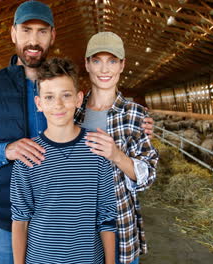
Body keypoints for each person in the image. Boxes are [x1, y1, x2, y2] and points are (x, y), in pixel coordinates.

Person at [0, 1, 154, 263]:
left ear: (53, 35)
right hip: (9, 218)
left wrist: (135, 125)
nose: (33, 40)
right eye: (26, 30)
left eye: (42, 32)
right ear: (13, 33)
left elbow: (103, 112)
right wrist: (5, 150)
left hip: (74, 226)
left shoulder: (68, 93)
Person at [11, 57, 116, 264]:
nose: (58, 104)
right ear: (39, 103)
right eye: (49, 97)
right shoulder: (27, 156)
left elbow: (106, 216)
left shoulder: (97, 150)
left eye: (66, 95)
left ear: (78, 99)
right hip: (40, 259)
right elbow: (20, 220)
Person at [75, 32, 159, 264]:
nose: (105, 69)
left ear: (122, 65)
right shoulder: (73, 111)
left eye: (112, 61)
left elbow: (148, 176)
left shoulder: (136, 114)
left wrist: (117, 155)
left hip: (120, 224)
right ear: (87, 64)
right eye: (97, 60)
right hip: (78, 228)